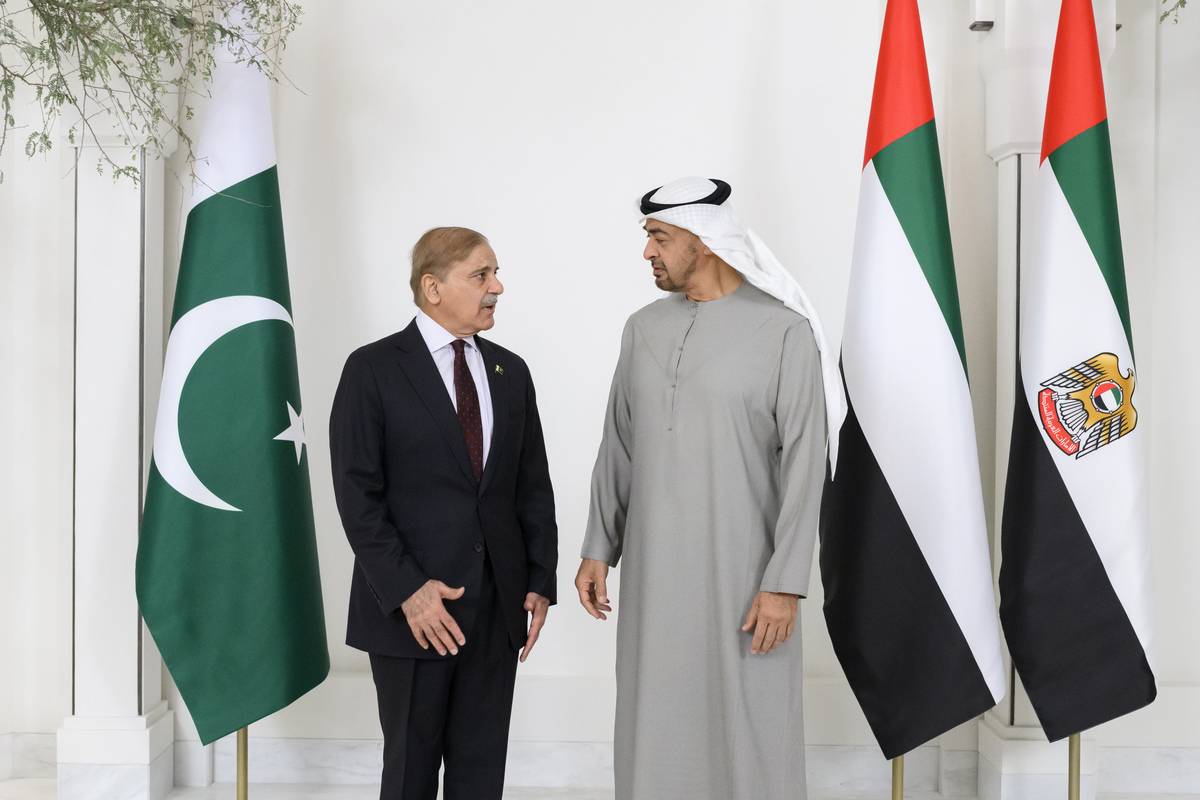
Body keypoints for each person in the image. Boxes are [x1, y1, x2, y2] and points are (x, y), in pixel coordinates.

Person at [577, 177, 844, 800]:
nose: (649, 253)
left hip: (745, 575)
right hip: (654, 573)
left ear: (705, 240)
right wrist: (598, 545)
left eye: (660, 238)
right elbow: (619, 441)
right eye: (650, 239)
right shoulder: (641, 328)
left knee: (751, 720)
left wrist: (784, 583)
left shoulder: (784, 333)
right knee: (653, 710)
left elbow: (807, 464)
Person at [330, 226, 558, 800]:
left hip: (497, 611)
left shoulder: (511, 372)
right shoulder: (373, 369)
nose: (497, 286)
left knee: (481, 775)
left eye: (495, 273)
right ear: (433, 287)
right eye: (481, 275)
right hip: (414, 616)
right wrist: (410, 590)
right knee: (409, 773)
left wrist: (538, 579)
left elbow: (532, 485)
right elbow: (357, 497)